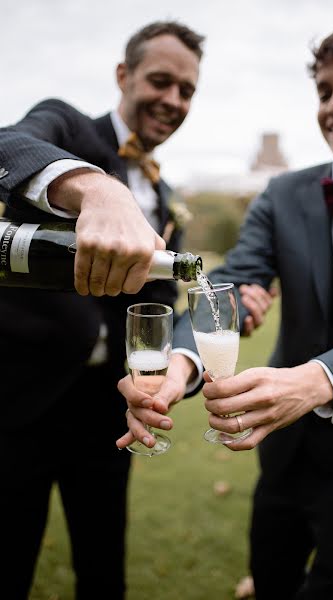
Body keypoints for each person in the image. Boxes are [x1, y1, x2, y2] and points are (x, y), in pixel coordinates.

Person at [118, 22, 333, 600]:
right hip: (283, 449)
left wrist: (320, 380)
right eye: (324, 92)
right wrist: (181, 363)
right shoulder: (284, 194)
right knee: (270, 578)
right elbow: (232, 280)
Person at [0, 21, 205, 600]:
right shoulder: (64, 125)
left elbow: (155, 306)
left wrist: (160, 376)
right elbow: (7, 144)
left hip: (107, 412)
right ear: (124, 75)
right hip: (18, 403)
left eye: (186, 90)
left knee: (103, 568)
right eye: (160, 81)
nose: (172, 100)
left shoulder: (166, 199)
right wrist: (99, 190)